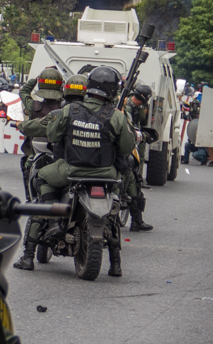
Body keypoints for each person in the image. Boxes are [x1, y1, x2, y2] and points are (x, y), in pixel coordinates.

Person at [15, 66, 135, 276]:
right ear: (113, 92)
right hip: (106, 174)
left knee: (42, 177)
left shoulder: (69, 110)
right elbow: (126, 148)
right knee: (114, 207)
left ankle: (32, 249)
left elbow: (52, 135)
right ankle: (116, 264)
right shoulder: (116, 116)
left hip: (71, 170)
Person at [17, 67, 65, 165]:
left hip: (35, 153)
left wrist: (35, 79)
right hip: (60, 154)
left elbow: (23, 91)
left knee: (27, 163)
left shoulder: (33, 106)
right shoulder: (66, 108)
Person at [123, 84, 154, 231]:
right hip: (126, 149)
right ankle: (136, 221)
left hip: (131, 148)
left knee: (135, 183)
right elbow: (130, 129)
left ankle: (137, 220)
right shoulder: (126, 109)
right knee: (133, 185)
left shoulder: (134, 108)